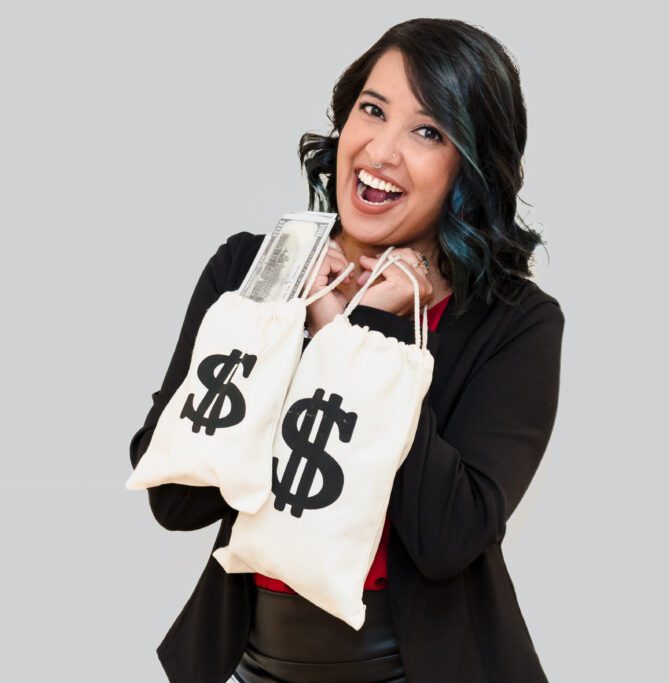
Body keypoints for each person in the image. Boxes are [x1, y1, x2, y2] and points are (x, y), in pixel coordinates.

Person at [127, 18, 565, 683]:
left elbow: (448, 536)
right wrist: (284, 321)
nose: (382, 151)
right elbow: (175, 500)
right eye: (372, 109)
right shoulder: (251, 270)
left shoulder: (515, 324)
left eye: (427, 131)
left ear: (468, 170)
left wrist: (360, 336)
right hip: (255, 663)